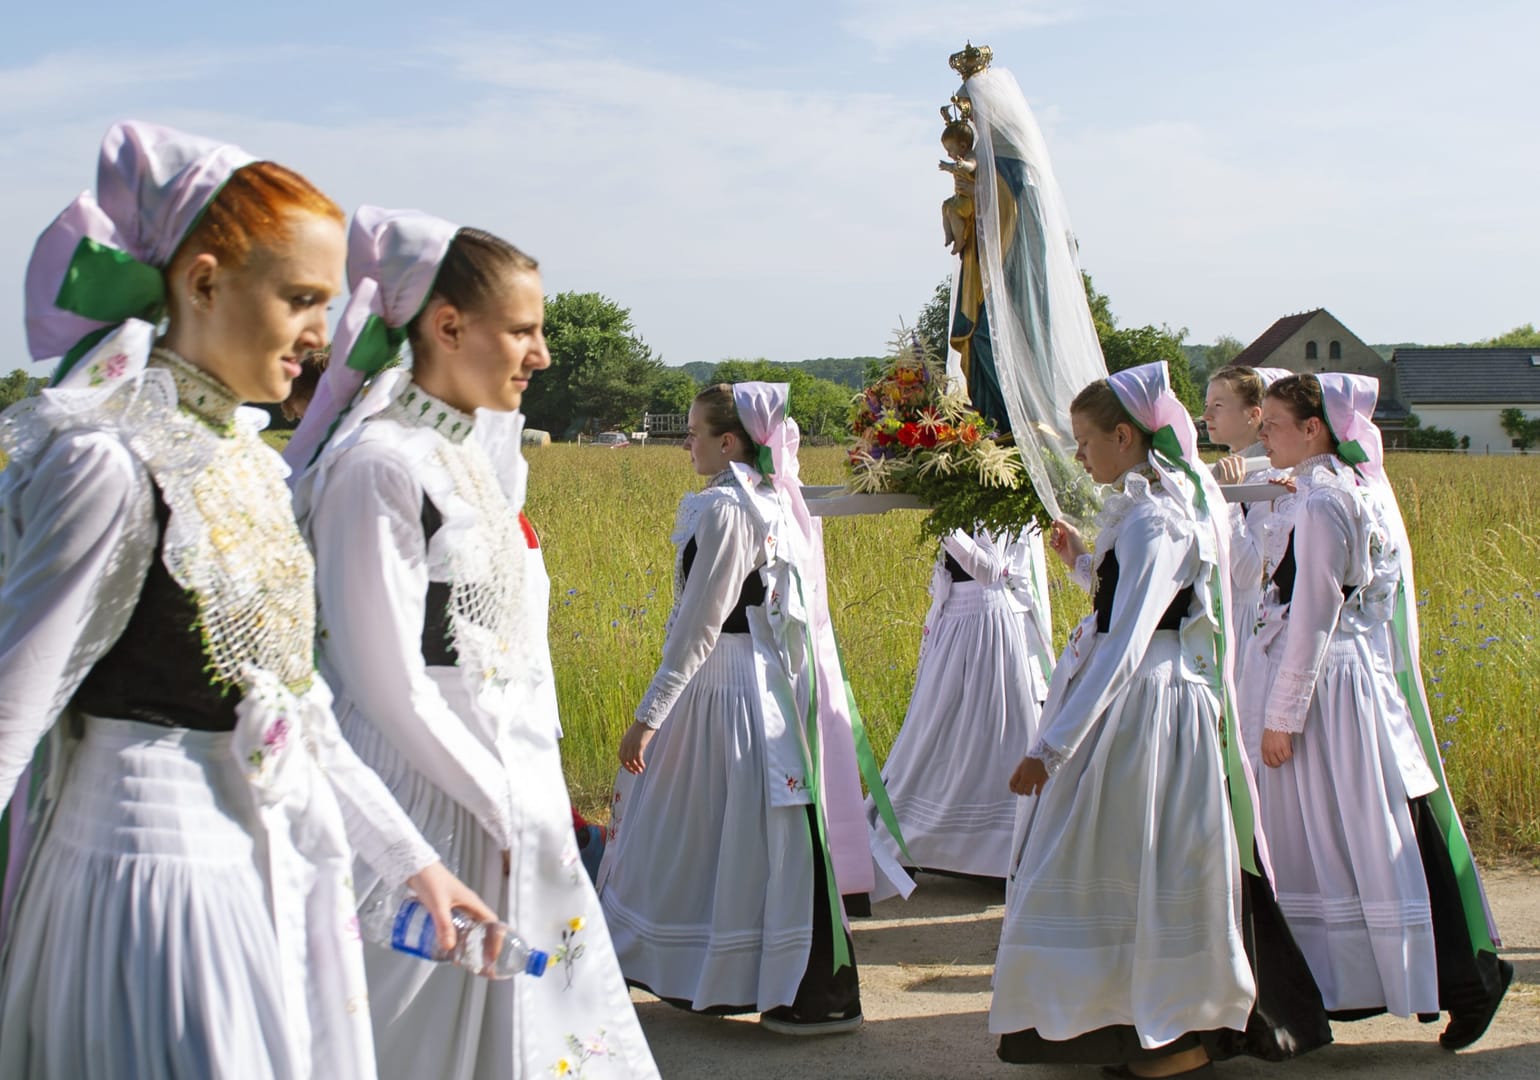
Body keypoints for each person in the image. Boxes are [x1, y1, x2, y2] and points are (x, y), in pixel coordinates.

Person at [0, 122, 491, 1080]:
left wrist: (413, 864)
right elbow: (15, 706)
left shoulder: (252, 469)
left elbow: (296, 708)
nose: (323, 334)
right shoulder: (108, 460)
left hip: (255, 862)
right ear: (204, 282)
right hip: (145, 880)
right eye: (301, 299)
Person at [290, 207, 658, 1079]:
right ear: (448, 327)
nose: (542, 355)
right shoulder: (378, 465)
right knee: (411, 1028)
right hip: (424, 791)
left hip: (504, 791)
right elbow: (384, 682)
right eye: (524, 331)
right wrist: (494, 803)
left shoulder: (458, 459)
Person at [992, 362, 1329, 1076]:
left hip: (1144, 705)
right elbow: (1170, 600)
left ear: (1125, 435)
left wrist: (1050, 750)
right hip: (1151, 692)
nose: (1080, 456)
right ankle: (1133, 1023)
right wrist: (1085, 564)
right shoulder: (1165, 506)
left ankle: (1166, 1033)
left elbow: (1127, 643)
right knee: (1129, 862)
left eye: (1086, 441)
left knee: (1117, 857)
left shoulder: (1155, 517)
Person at [1243, 372, 1512, 1049]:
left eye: (1273, 422)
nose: (1262, 433)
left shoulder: (1328, 499)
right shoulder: (1337, 486)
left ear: (1313, 429)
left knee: (1368, 833)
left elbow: (1315, 613)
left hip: (1333, 692)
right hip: (1345, 685)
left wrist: (1284, 715)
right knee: (1348, 837)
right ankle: (1347, 989)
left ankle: (1465, 977)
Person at [600, 382, 866, 1035]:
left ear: (729, 441)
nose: (685, 441)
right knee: (739, 834)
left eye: (694, 431)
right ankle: (756, 975)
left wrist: (650, 713)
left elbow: (698, 625)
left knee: (695, 825)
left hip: (726, 688)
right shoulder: (774, 501)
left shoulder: (727, 510)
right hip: (762, 687)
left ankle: (757, 975)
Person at [865, 526, 1052, 892]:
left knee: (989, 734)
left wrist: (947, 526)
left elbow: (990, 569)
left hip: (989, 626)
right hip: (959, 619)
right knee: (936, 732)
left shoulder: (996, 489)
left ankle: (999, 850)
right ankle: (921, 839)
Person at [1203, 364, 1289, 687]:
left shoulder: (1269, 478)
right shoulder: (1231, 471)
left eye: (1218, 406)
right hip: (1222, 613)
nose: (1206, 415)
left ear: (1254, 415)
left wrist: (1229, 500)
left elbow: (1250, 571)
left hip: (1247, 621)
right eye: (1207, 405)